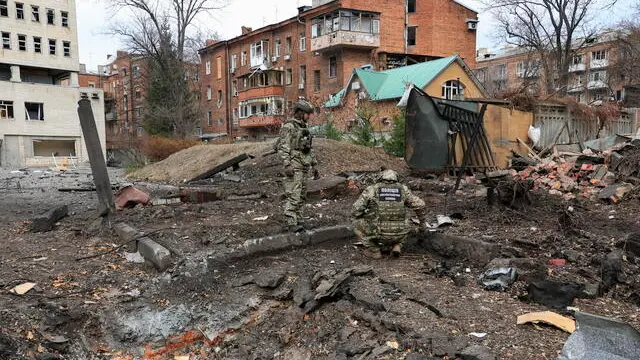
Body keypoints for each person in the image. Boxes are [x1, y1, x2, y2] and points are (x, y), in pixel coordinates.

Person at [351, 169, 428, 259]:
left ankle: (374, 250)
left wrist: (365, 215)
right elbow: (420, 205)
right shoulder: (403, 189)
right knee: (407, 220)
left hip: (378, 233)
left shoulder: (372, 189)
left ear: (380, 177)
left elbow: (356, 211)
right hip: (400, 233)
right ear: (396, 178)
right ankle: (398, 245)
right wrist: (422, 224)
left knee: (355, 223)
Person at [276, 99, 319, 232]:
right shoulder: (288, 127)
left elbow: (309, 149)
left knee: (302, 195)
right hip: (295, 165)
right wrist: (287, 164)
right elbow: (283, 147)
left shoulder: (303, 128)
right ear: (300, 113)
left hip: (304, 164)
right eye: (307, 113)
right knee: (294, 194)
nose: (309, 116)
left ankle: (299, 219)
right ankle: (291, 221)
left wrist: (315, 165)